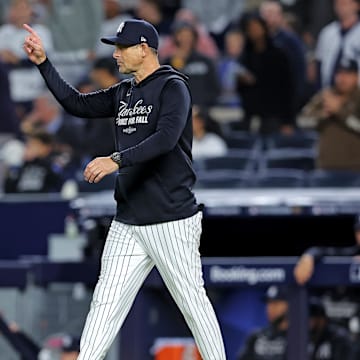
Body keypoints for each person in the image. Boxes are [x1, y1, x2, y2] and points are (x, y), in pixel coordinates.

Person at [22, 18, 226, 360]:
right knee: (105, 303)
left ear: (143, 48)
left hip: (171, 218)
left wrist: (115, 159)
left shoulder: (173, 86)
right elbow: (77, 104)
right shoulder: (124, 92)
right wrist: (44, 63)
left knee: (193, 305)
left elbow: (165, 139)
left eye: (121, 47)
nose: (115, 55)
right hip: (129, 219)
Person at [297, 57, 360, 172]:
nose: (342, 78)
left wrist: (340, 111)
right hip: (326, 166)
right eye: (339, 73)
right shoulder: (325, 96)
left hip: (356, 169)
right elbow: (302, 121)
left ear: (356, 77)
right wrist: (322, 116)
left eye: (348, 74)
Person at [236, 285, 289, 360]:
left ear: (288, 305)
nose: (270, 309)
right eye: (268, 303)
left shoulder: (298, 337)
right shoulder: (256, 337)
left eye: (275, 303)